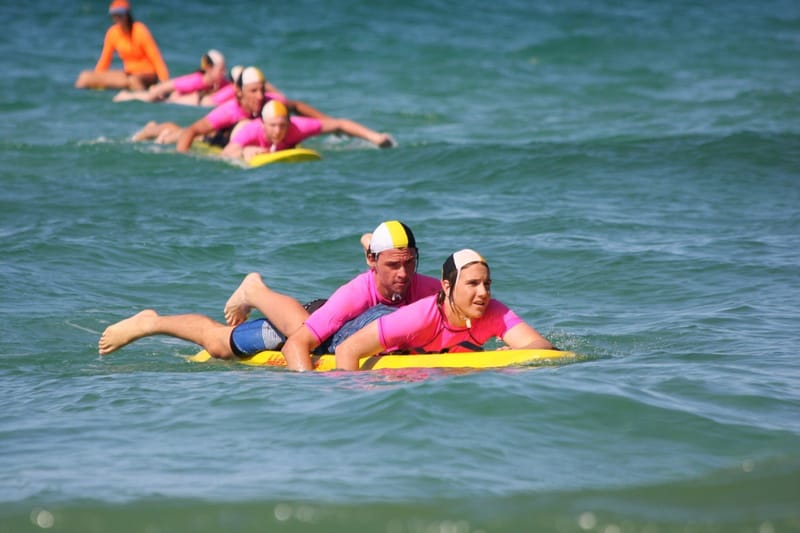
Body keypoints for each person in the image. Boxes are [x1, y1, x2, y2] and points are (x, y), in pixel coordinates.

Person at [98, 221, 440, 372]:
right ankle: (151, 322)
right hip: (322, 322)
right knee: (220, 344)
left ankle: (255, 290)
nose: (403, 274)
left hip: (341, 322)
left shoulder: (424, 285)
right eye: (393, 265)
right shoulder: (354, 293)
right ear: (372, 262)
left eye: (409, 264)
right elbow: (298, 346)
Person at [334, 249, 555, 370]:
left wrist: (519, 353)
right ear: (447, 286)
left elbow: (542, 346)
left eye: (486, 284)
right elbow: (347, 350)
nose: (483, 293)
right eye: (472, 284)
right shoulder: (420, 316)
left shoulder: (493, 312)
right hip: (354, 330)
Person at [130, 66, 327, 150]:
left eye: (262, 90)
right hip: (213, 137)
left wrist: (324, 121)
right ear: (241, 92)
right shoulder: (228, 110)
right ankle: (153, 129)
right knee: (174, 135)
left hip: (236, 137)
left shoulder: (270, 102)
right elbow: (192, 130)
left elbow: (297, 106)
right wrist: (182, 160)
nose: (259, 96)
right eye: (253, 91)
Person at [221, 99, 396, 162]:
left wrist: (375, 137)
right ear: (263, 124)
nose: (278, 131)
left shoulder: (297, 127)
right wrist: (244, 151)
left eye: (282, 125)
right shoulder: (251, 131)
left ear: (289, 123)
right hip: (233, 134)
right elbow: (225, 153)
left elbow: (339, 124)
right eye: (273, 126)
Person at [75, 0, 169, 91]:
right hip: (128, 74)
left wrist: (164, 82)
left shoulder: (139, 30)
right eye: (114, 15)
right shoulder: (112, 33)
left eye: (120, 15)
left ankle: (144, 98)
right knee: (84, 77)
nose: (117, 18)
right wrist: (97, 78)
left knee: (133, 80)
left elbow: (156, 58)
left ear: (127, 14)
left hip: (148, 74)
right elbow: (105, 60)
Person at [112, 49, 229, 103]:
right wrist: (152, 95)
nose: (224, 72)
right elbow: (163, 87)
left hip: (180, 97)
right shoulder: (196, 81)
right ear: (208, 68)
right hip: (165, 93)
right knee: (151, 97)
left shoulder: (222, 82)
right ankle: (128, 96)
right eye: (221, 69)